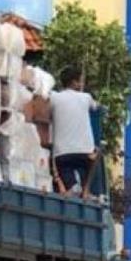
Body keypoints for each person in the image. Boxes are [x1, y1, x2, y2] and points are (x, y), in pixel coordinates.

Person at [50, 66, 101, 197]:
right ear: (74, 82)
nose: (82, 84)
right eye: (80, 81)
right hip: (85, 154)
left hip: (61, 154)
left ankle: (71, 187)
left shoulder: (54, 97)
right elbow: (97, 107)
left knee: (65, 168)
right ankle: (86, 190)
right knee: (95, 156)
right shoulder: (86, 98)